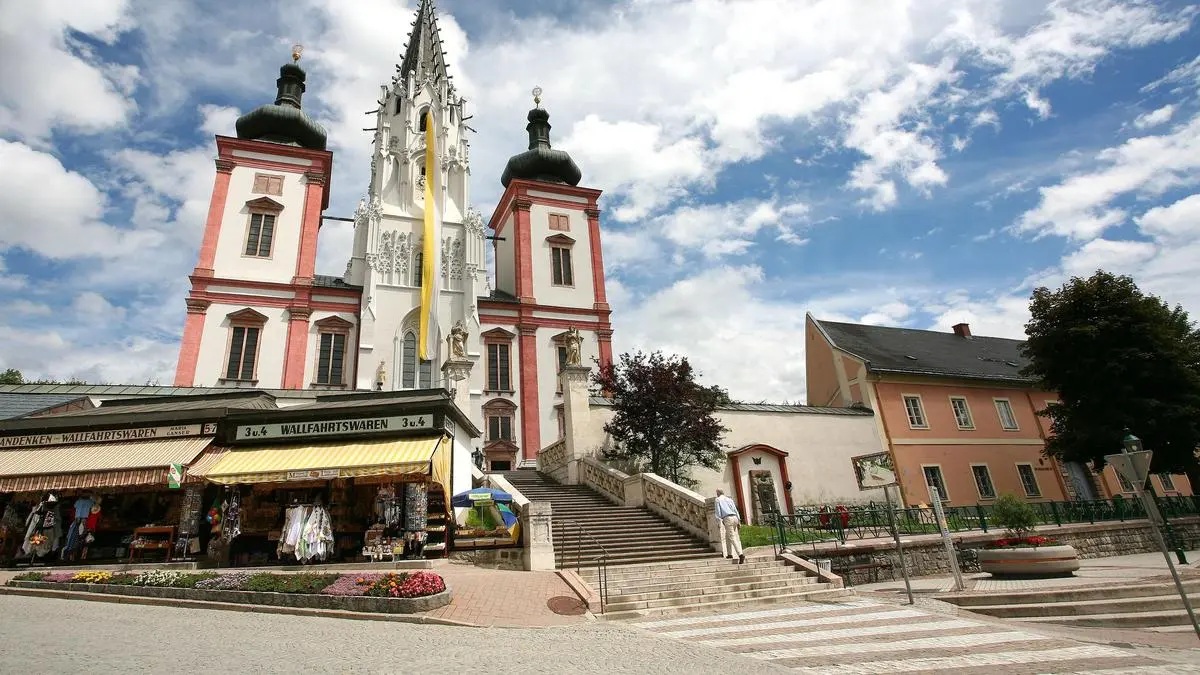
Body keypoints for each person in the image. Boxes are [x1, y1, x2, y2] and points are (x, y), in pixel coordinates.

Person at [714, 489, 745, 564]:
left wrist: (719, 521)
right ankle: (729, 554)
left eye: (716, 493)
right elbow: (735, 510)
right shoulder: (729, 499)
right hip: (734, 517)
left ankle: (740, 554)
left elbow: (718, 511)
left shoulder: (717, 500)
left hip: (727, 518)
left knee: (732, 537)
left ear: (718, 493)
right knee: (727, 536)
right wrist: (739, 520)